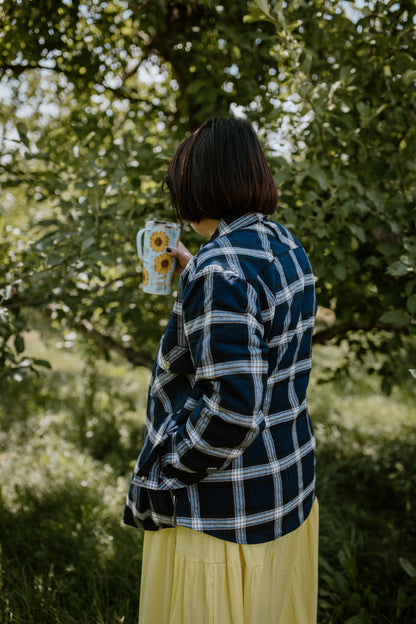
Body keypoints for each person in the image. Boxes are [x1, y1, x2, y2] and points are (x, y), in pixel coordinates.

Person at [124, 116, 318, 624]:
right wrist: (198, 272)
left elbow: (231, 410)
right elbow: (264, 333)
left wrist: (162, 476)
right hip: (285, 487)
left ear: (197, 188)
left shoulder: (220, 270)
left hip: (223, 515)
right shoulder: (282, 243)